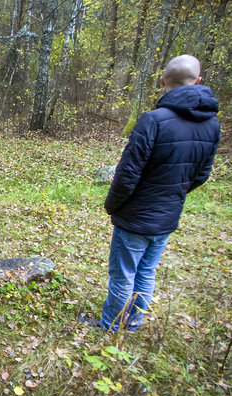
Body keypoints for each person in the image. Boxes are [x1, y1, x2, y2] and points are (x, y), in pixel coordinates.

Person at [81, 55, 220, 332]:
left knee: (124, 275)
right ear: (198, 81)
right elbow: (201, 175)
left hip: (135, 217)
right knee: (146, 272)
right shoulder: (212, 126)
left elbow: (127, 174)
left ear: (162, 81)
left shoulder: (153, 121)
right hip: (167, 216)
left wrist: (113, 206)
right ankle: (131, 324)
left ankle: (109, 326)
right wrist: (173, 195)